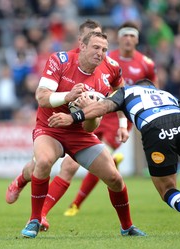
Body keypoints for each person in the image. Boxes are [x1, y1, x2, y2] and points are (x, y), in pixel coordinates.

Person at [48, 79, 180, 237]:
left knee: (167, 189)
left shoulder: (126, 91)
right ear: (152, 88)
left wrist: (73, 117)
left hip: (155, 128)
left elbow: (103, 107)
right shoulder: (167, 95)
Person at [18, 31, 145, 238]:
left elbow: (90, 128)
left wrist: (89, 112)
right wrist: (69, 97)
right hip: (50, 127)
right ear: (82, 46)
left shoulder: (106, 76)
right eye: (96, 48)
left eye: (104, 49)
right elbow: (42, 98)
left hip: (80, 134)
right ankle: (34, 220)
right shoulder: (60, 60)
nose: (100, 53)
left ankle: (127, 227)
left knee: (114, 178)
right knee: (42, 162)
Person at [63, 21, 157, 217]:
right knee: (71, 163)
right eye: (125, 35)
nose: (128, 39)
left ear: (137, 39)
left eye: (132, 35)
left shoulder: (146, 64)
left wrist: (128, 122)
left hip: (119, 118)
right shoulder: (106, 58)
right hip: (97, 112)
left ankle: (76, 203)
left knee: (101, 158)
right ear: (119, 38)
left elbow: (152, 91)